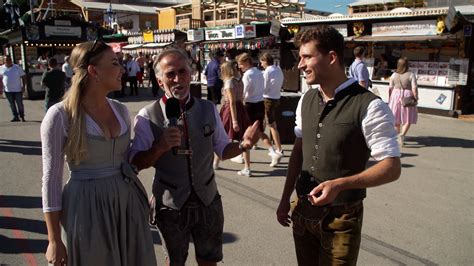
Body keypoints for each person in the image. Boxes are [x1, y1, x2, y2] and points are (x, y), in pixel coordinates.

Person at [276, 26, 401, 265]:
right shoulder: (306, 99)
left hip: (341, 218)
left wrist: (340, 184)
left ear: (331, 57)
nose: (300, 65)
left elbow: (392, 167)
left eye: (307, 57)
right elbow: (298, 154)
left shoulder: (369, 105)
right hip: (303, 210)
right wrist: (284, 199)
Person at [130, 48, 260, 266]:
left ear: (190, 75)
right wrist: (160, 147)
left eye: (182, 72)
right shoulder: (146, 116)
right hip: (170, 206)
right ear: (160, 80)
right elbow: (136, 163)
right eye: (170, 74)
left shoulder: (208, 108)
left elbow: (222, 149)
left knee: (208, 261)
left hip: (207, 201)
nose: (178, 79)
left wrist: (244, 145)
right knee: (175, 263)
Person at [41, 41, 156, 266]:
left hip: (126, 204)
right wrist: (53, 240)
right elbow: (51, 181)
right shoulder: (60, 116)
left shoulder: (120, 110)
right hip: (86, 208)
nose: (121, 69)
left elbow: (127, 159)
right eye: (114, 63)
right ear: (93, 71)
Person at [236, 52, 279, 175]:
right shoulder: (260, 73)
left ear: (247, 62)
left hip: (249, 105)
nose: (240, 66)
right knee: (259, 131)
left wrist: (239, 102)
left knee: (245, 135)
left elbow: (243, 93)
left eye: (241, 64)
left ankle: (247, 167)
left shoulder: (247, 75)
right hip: (260, 103)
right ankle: (272, 151)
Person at [213, 61, 251, 170]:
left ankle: (216, 163)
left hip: (230, 111)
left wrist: (234, 121)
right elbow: (240, 98)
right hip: (241, 108)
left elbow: (231, 102)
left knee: (221, 136)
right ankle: (247, 167)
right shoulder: (239, 80)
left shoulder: (229, 82)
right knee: (243, 138)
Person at [260, 52, 284, 167]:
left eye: (261, 62)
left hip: (268, 98)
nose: (261, 64)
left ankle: (279, 149)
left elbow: (264, 86)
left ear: (265, 61)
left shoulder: (267, 71)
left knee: (271, 124)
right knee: (264, 122)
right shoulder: (278, 69)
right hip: (276, 97)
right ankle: (255, 143)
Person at [388, 57, 418, 146]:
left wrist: (390, 98)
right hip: (407, 96)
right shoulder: (411, 74)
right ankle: (402, 135)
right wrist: (416, 97)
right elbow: (414, 88)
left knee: (396, 116)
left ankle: (396, 136)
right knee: (407, 117)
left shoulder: (394, 75)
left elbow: (390, 88)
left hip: (395, 95)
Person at [0, 55, 27, 122]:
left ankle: (22, 116)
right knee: (11, 104)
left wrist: (23, 86)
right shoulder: (1, 68)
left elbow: (23, 77)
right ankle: (15, 117)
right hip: (7, 90)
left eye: (9, 59)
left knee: (19, 104)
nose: (8, 61)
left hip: (17, 89)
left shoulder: (17, 67)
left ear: (11, 60)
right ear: (4, 61)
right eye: (6, 60)